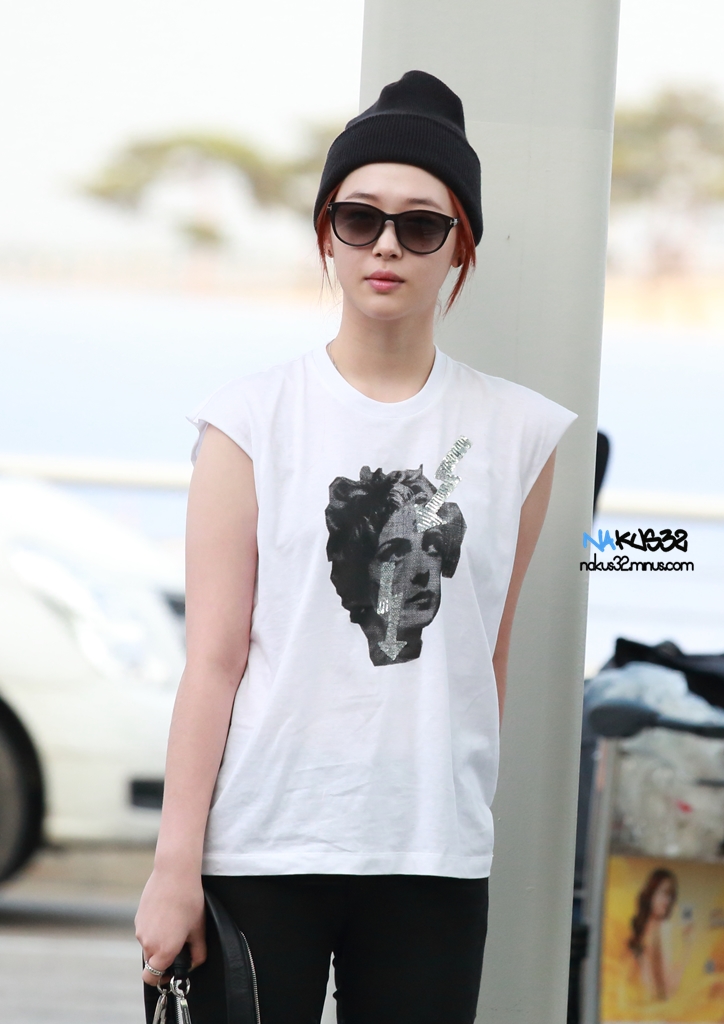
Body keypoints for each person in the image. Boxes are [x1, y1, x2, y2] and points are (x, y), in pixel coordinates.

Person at [135, 70, 577, 1024]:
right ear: (326, 234)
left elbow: (487, 654)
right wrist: (174, 866)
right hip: (261, 845)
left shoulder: (521, 434)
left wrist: (457, 812)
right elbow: (213, 662)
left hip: (432, 856)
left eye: (420, 225)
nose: (386, 244)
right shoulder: (247, 421)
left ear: (461, 248)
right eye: (359, 217)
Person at [628, 868, 693, 1002]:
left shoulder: (644, 928)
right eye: (663, 893)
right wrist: (688, 946)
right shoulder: (660, 929)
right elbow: (668, 989)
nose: (667, 901)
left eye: (670, 896)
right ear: (651, 893)